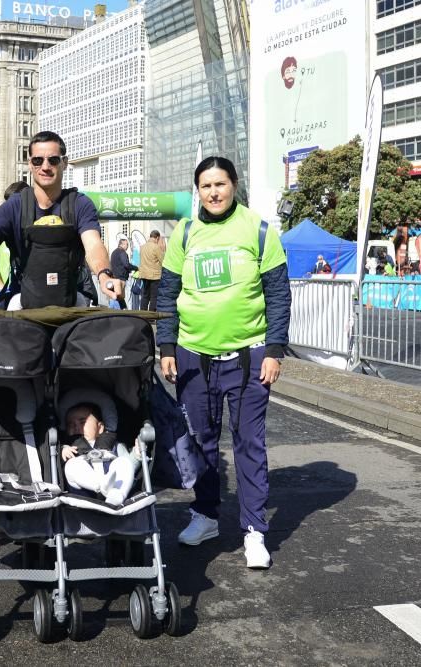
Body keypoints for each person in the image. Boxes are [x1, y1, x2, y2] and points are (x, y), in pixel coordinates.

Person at [157, 156, 291, 570]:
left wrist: (274, 349)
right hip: (194, 355)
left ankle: (254, 530)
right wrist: (165, 346)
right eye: (206, 186)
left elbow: (278, 293)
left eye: (221, 184)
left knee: (250, 443)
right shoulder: (184, 233)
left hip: (248, 356)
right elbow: (167, 293)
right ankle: (207, 515)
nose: (214, 192)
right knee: (200, 441)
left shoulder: (259, 228)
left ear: (234, 184)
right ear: (197, 190)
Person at [0, 131, 122, 309]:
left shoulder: (80, 204)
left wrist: (104, 274)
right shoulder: (15, 206)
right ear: (30, 164)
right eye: (38, 160)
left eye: (53, 160)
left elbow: (93, 245)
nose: (45, 166)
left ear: (64, 163)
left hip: (71, 300)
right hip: (22, 301)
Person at [61, 403, 140, 506]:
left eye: (82, 422)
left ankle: (117, 495)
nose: (76, 427)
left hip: (114, 485)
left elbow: (128, 467)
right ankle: (102, 485)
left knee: (124, 463)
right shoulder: (69, 446)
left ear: (100, 427)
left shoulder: (114, 445)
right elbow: (62, 461)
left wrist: (136, 456)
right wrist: (63, 449)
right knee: (71, 465)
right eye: (70, 424)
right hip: (84, 493)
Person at [138, 229, 165, 311]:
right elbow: (163, 261)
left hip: (144, 275)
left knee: (145, 295)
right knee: (154, 297)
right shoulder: (156, 247)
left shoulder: (142, 247)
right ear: (157, 238)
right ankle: (152, 315)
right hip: (154, 276)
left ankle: (142, 314)